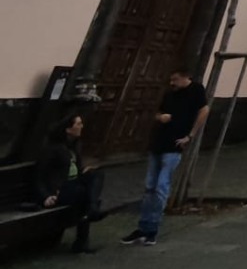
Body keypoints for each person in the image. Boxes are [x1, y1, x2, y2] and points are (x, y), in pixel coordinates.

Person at [122, 68, 209, 246]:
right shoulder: (169, 95)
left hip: (174, 145)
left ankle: (152, 229)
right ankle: (143, 227)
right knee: (150, 187)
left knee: (161, 186)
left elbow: (204, 110)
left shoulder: (196, 90)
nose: (172, 83)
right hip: (159, 143)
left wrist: (190, 135)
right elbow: (158, 112)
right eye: (171, 80)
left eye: (175, 79)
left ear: (186, 77)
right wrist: (161, 117)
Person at [34, 111, 104, 254]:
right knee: (83, 193)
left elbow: (74, 169)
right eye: (78, 124)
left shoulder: (73, 147)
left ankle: (92, 209)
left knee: (96, 174)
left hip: (74, 185)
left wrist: (83, 171)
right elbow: (39, 176)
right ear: (68, 129)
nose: (81, 126)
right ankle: (86, 228)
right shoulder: (53, 149)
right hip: (60, 190)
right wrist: (46, 196)